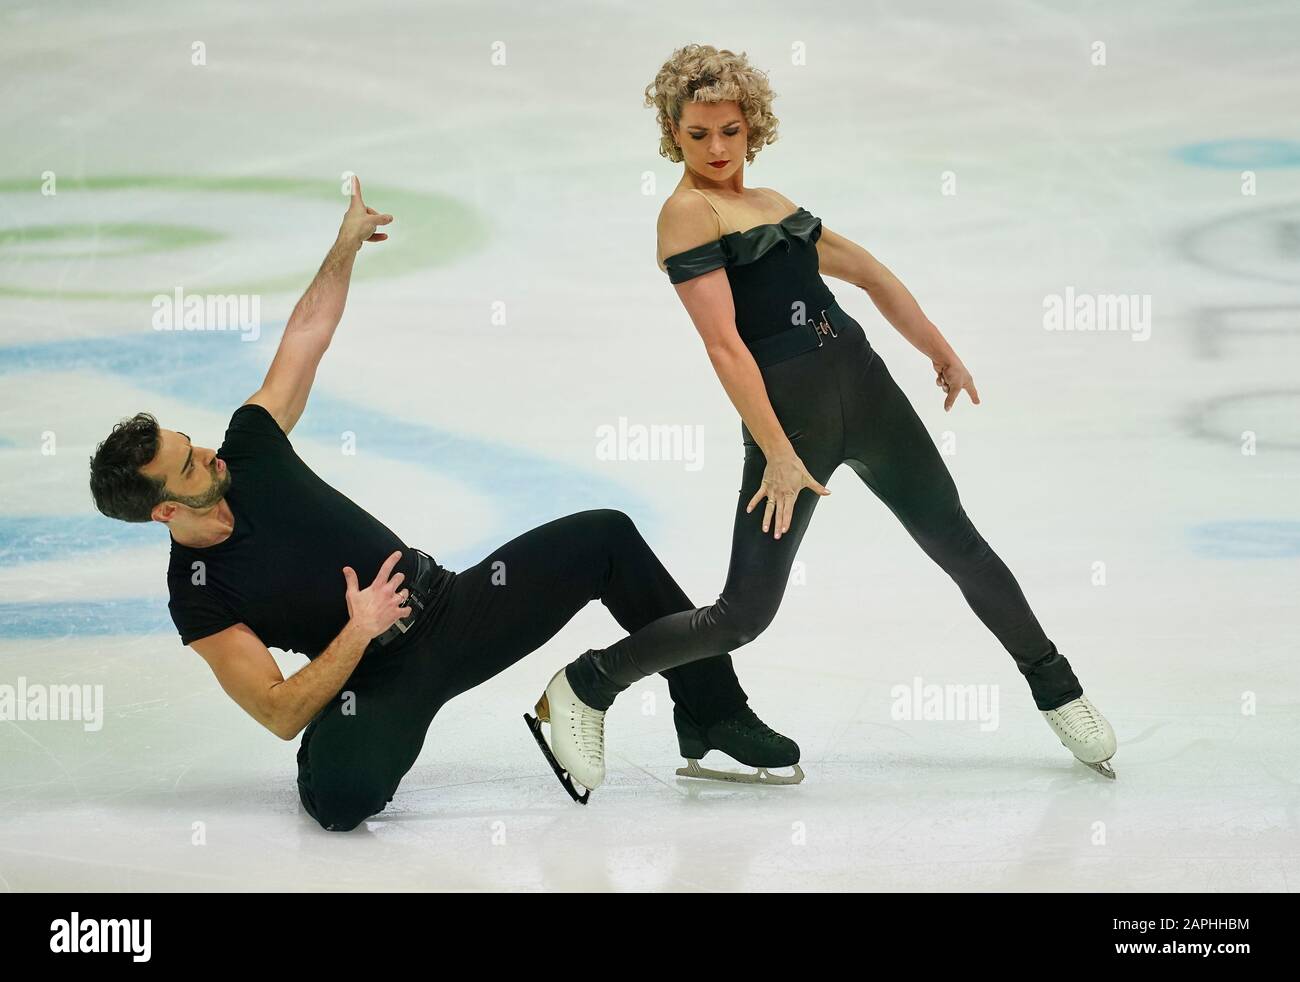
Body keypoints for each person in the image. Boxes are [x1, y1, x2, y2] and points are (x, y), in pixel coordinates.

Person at [87, 176, 799, 829]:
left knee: (605, 537)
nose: (208, 453)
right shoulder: (200, 598)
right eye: (189, 465)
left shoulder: (248, 448)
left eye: (193, 443)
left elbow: (306, 335)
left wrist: (343, 250)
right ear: (163, 511)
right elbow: (276, 711)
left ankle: (713, 711)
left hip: (456, 609)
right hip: (378, 676)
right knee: (338, 800)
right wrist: (358, 631)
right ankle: (343, 746)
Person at [530, 44, 1117, 794]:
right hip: (793, 427)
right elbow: (725, 347)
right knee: (742, 615)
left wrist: (941, 352)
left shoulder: (774, 205)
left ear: (754, 127)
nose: (716, 148)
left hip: (867, 391)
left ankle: (1057, 688)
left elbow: (870, 275)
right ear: (672, 130)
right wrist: (775, 450)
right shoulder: (686, 213)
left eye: (731, 131)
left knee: (960, 544)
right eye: (698, 132)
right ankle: (587, 684)